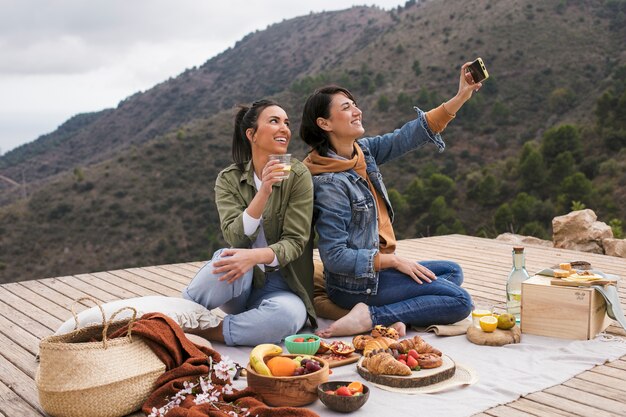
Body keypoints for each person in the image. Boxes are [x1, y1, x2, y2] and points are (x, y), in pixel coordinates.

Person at [300, 62, 478, 338]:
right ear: (324, 123)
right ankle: (371, 317)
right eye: (346, 108)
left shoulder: (363, 153)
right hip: (355, 285)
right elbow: (335, 258)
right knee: (460, 301)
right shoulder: (328, 183)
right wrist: (394, 262)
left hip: (378, 273)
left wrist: (461, 96)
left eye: (354, 104)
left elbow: (408, 136)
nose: (357, 111)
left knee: (451, 272)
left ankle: (400, 313)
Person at [182, 99, 317, 346]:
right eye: (274, 121)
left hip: (284, 285)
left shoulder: (298, 175)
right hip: (241, 280)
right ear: (251, 134)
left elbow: (296, 242)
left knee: (288, 317)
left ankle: (205, 332)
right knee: (225, 260)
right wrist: (264, 191)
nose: (284, 128)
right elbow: (236, 238)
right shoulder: (229, 179)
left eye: (286, 123)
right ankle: (174, 319)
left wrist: (255, 257)